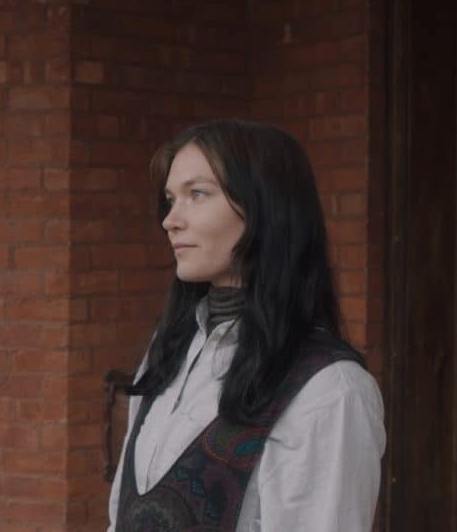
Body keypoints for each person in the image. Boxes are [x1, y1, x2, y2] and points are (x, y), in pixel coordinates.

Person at [107, 120, 385, 531]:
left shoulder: (329, 391)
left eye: (196, 194)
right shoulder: (167, 352)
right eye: (170, 199)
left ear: (263, 207)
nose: (170, 219)